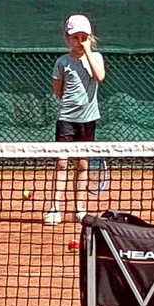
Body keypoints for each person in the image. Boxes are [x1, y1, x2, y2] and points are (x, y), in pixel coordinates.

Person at [44, 13, 105, 227]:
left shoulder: (96, 58)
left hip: (88, 120)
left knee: (82, 163)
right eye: (75, 38)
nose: (79, 41)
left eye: (83, 37)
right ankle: (54, 208)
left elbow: (100, 76)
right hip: (66, 119)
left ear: (90, 38)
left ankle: (79, 209)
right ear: (67, 38)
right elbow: (58, 91)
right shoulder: (62, 62)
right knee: (61, 162)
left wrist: (88, 52)